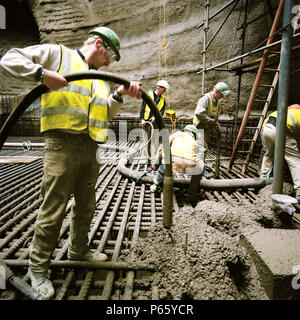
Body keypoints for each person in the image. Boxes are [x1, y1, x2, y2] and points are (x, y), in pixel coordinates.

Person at [0, 26, 142, 299]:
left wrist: (119, 96)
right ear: (99, 44)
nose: (110, 63)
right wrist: (42, 75)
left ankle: (79, 250)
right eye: (111, 56)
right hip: (61, 145)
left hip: (90, 148)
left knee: (87, 205)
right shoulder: (58, 55)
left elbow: (105, 116)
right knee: (53, 209)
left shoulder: (100, 79)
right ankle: (39, 267)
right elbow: (9, 59)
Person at [260, 104, 300, 204]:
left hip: (266, 129)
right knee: (294, 160)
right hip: (280, 130)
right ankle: (299, 191)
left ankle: (263, 177)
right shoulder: (297, 114)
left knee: (269, 154)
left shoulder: (280, 111)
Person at [150, 124, 204, 193]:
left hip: (172, 162)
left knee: (165, 161)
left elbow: (162, 147)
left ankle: (156, 184)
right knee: (201, 166)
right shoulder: (195, 142)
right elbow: (198, 155)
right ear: (194, 134)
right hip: (189, 164)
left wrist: (156, 163)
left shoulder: (177, 134)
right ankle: (193, 190)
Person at [193, 82, 230, 161]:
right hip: (199, 127)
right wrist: (210, 121)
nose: (223, 97)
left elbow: (213, 115)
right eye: (222, 94)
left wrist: (215, 122)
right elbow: (198, 113)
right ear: (216, 92)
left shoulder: (217, 101)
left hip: (206, 127)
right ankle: (197, 170)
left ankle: (200, 167)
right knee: (201, 149)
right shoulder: (205, 98)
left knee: (203, 148)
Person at [139, 79, 169, 161]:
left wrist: (155, 117)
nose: (165, 91)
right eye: (164, 89)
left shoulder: (162, 99)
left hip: (155, 123)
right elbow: (142, 108)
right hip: (146, 122)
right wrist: (142, 119)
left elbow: (162, 111)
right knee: (146, 141)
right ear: (159, 88)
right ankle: (146, 159)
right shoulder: (148, 95)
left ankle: (155, 159)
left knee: (155, 141)